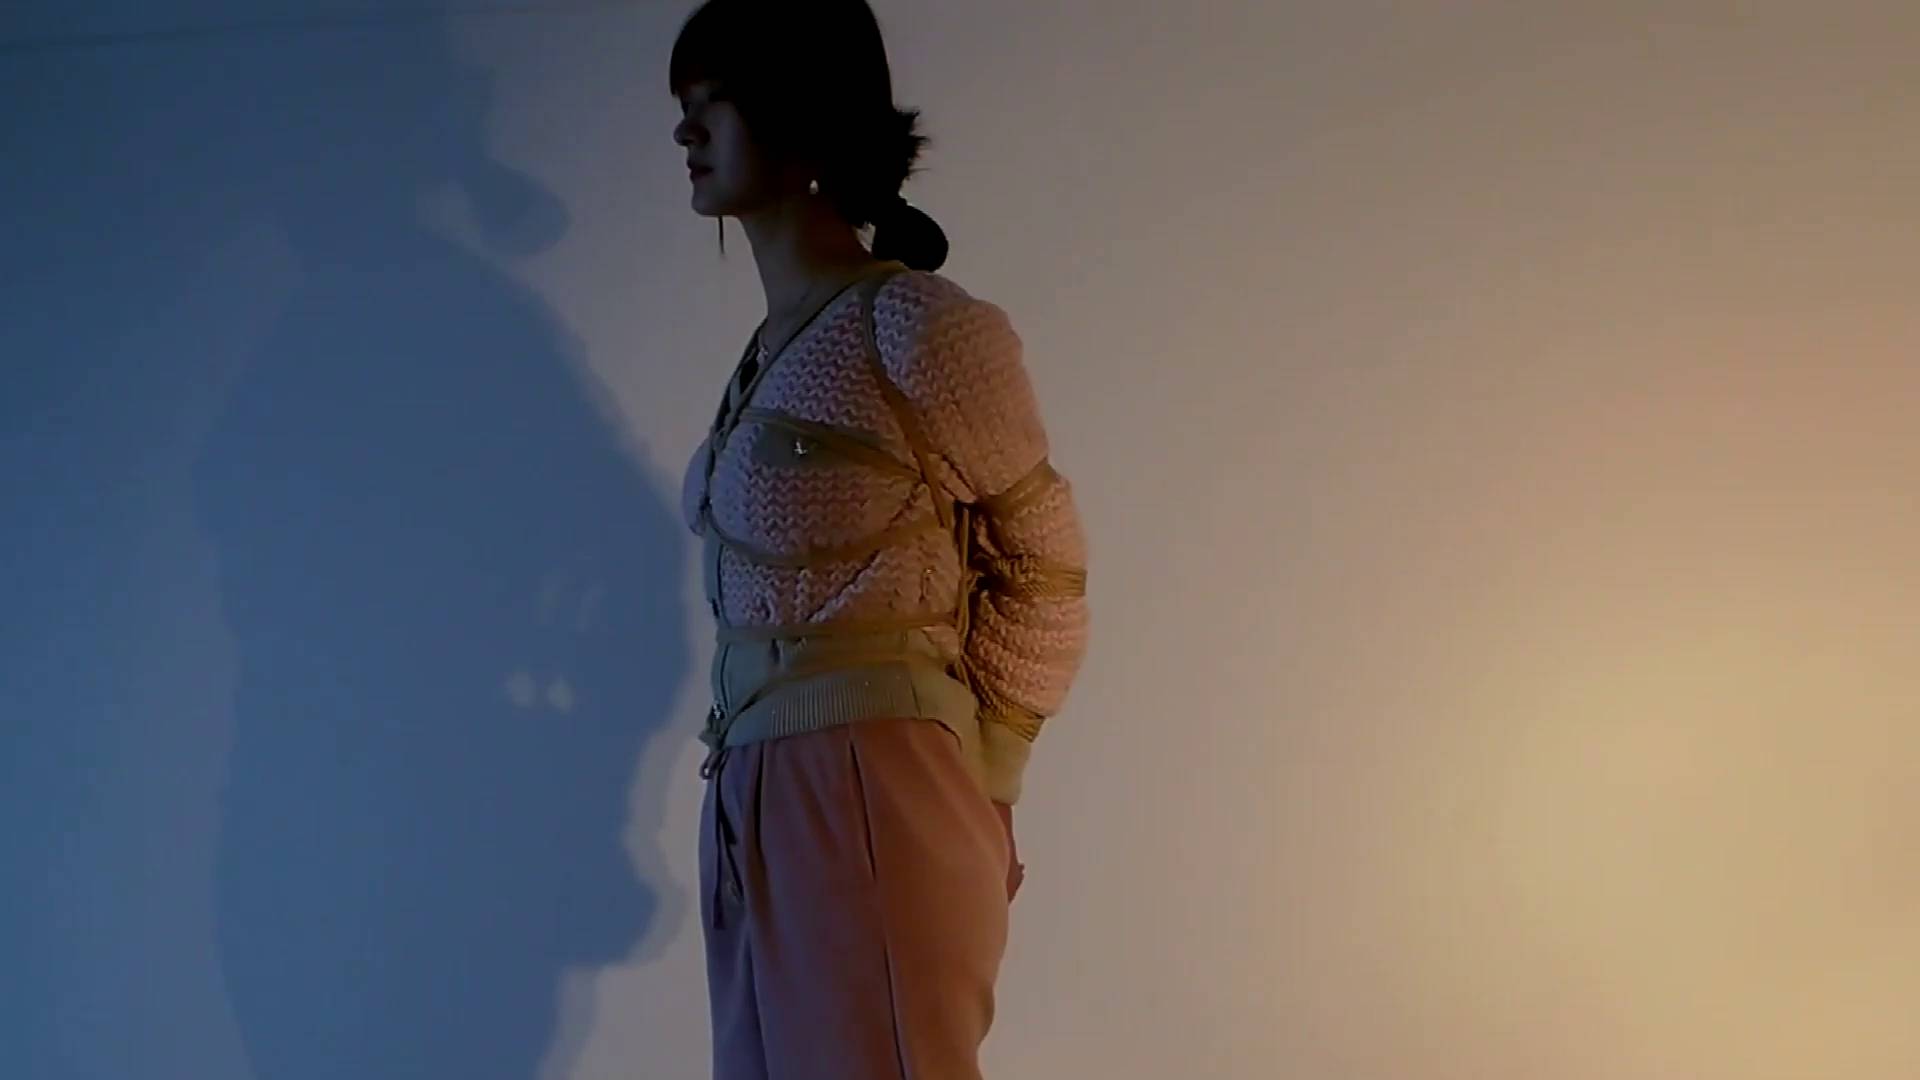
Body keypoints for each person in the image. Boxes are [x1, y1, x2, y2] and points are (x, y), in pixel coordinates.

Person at [669, 2, 1090, 1077]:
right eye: (684, 104)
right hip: (751, 790)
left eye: (715, 102)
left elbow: (1043, 562)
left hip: (875, 784)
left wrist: (988, 778)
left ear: (801, 118)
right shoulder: (767, 351)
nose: (686, 130)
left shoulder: (913, 326)